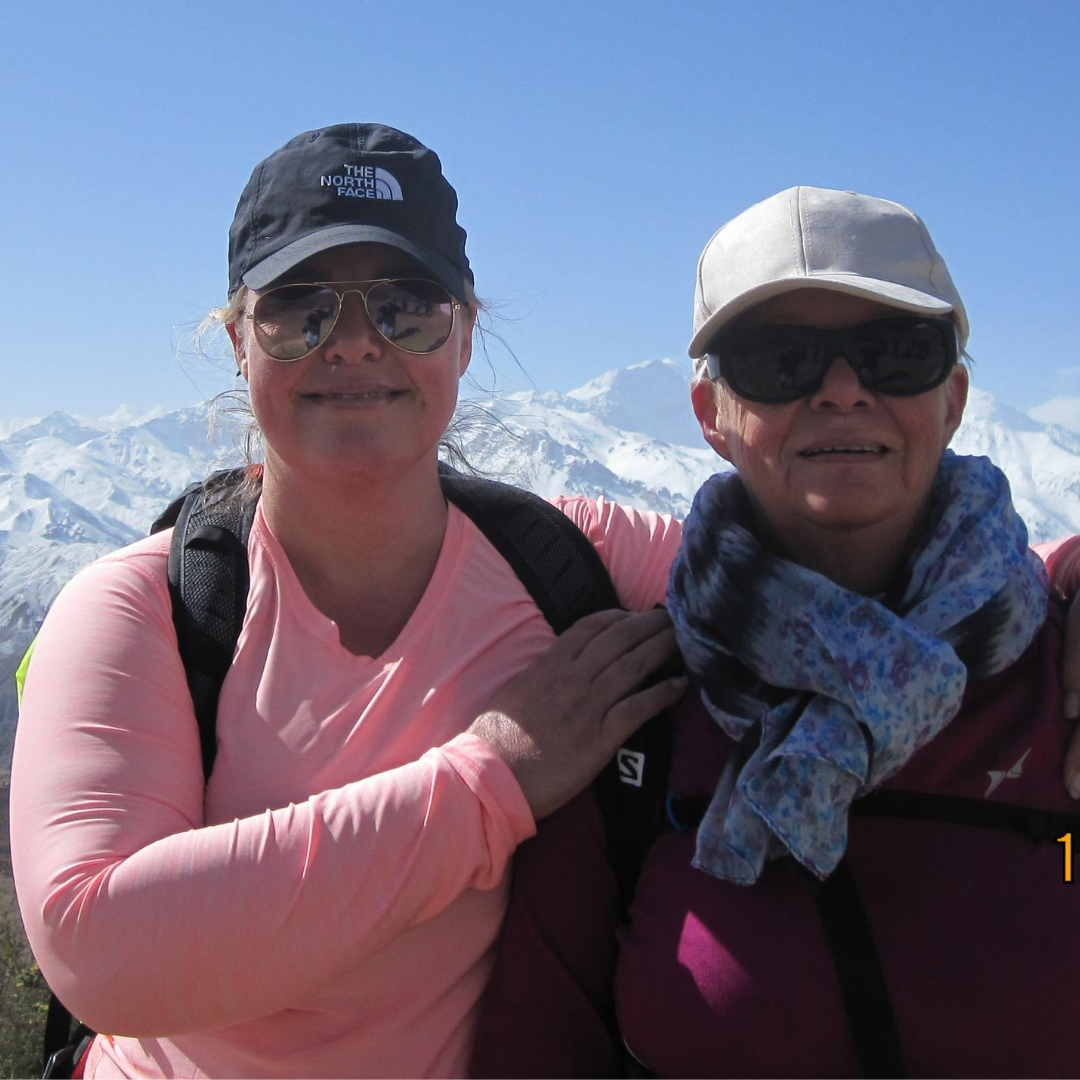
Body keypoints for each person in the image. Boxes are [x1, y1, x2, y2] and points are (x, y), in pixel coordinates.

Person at [9, 123, 689, 1079]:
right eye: (302, 310)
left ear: (464, 332)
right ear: (239, 339)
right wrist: (495, 774)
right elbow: (100, 949)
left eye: (406, 306)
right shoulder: (145, 609)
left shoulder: (566, 558)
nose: (357, 344)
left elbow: (816, 571)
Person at [472, 186, 1080, 1078]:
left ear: (951, 398)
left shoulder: (1059, 679)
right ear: (708, 414)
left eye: (895, 355)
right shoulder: (630, 716)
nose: (842, 391)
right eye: (780, 358)